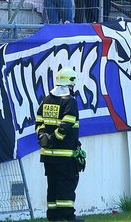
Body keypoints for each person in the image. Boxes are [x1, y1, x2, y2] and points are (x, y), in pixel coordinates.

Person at [36, 67, 84, 222]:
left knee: (53, 186)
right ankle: (68, 216)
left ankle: (53, 216)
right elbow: (67, 124)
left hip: (48, 157)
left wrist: (43, 137)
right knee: (66, 185)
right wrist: (54, 139)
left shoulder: (46, 100)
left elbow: (38, 122)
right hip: (64, 155)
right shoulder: (70, 101)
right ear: (70, 84)